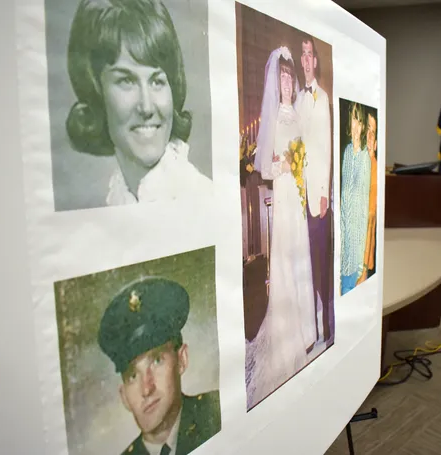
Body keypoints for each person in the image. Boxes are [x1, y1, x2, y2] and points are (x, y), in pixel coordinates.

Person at [65, 0, 212, 208]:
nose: (147, 107)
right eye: (126, 81)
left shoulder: (200, 198)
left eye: (157, 81)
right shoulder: (118, 196)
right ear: (95, 91)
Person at [248, 46, 317, 408]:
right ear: (277, 82)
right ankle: (288, 334)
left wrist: (301, 167)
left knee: (301, 255)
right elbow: (265, 167)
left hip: (300, 196)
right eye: (284, 77)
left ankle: (307, 329)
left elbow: (305, 152)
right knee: (287, 257)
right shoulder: (274, 116)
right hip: (286, 195)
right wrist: (286, 167)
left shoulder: (299, 113)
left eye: (291, 77)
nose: (288, 83)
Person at [97, 276, 221, 455]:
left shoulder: (215, 415)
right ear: (124, 396)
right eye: (133, 376)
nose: (147, 389)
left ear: (182, 360)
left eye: (156, 361)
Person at [294, 35, 333, 344]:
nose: (306, 60)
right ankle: (308, 328)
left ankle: (326, 325)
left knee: (320, 262)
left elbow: (326, 149)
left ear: (316, 61)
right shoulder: (297, 99)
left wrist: (323, 193)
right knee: (303, 262)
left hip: (317, 196)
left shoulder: (322, 98)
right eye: (302, 54)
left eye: (310, 54)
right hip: (298, 195)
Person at [340, 102, 371, 295]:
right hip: (344, 239)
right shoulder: (346, 153)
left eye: (360, 122)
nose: (356, 126)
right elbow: (344, 200)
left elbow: (362, 208)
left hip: (355, 242)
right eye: (354, 119)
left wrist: (360, 257)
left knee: (349, 289)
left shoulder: (364, 158)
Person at [358, 108, 378, 285]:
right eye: (367, 131)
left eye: (373, 132)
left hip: (364, 256)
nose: (369, 136)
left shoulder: (375, 169)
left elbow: (370, 214)